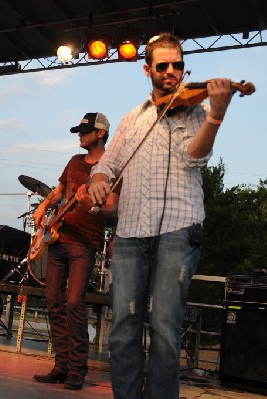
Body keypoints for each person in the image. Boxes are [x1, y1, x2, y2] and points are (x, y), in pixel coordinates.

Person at [87, 33, 234, 399]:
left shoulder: (197, 110)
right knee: (123, 326)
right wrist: (100, 180)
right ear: (147, 69)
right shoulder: (132, 119)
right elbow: (107, 164)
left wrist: (216, 114)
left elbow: (194, 157)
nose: (172, 72)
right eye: (163, 65)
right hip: (132, 232)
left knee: (166, 329)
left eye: (178, 65)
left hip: (179, 230)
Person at [32, 112, 119, 390]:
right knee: (54, 304)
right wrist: (44, 207)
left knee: (74, 305)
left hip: (84, 244)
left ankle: (77, 370)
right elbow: (59, 191)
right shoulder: (74, 162)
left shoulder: (111, 166)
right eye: (79, 131)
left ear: (101, 133)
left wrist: (92, 206)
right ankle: (61, 366)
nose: (80, 135)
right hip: (57, 239)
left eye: (85, 131)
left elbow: (112, 206)